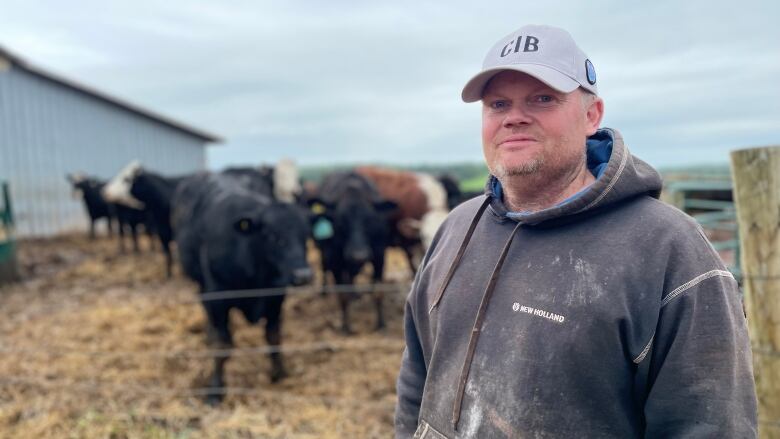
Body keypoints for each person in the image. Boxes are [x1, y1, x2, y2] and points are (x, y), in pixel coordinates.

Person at [394, 24, 757, 438]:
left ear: (591, 115)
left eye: (543, 99)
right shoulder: (456, 229)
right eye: (497, 104)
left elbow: (707, 425)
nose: (514, 117)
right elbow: (417, 373)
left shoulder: (670, 251)